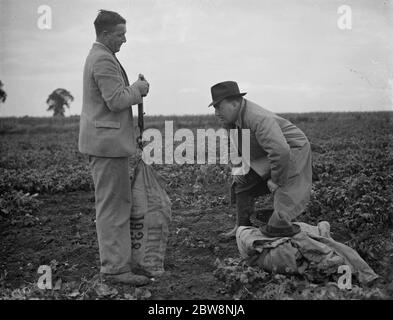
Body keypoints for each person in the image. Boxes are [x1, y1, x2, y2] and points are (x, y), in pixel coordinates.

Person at [78, 10, 150, 285]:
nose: (124, 39)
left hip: (106, 146)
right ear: (105, 34)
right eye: (120, 34)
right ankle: (115, 269)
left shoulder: (101, 56)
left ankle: (118, 263)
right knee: (113, 208)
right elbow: (116, 100)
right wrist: (139, 89)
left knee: (116, 205)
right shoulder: (103, 59)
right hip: (107, 147)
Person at [208, 81, 312, 239]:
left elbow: (281, 152)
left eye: (219, 107)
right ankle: (242, 228)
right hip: (268, 153)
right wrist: (237, 167)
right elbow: (232, 143)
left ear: (235, 103)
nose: (216, 112)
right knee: (241, 182)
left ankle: (283, 232)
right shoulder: (229, 120)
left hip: (293, 151)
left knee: (283, 196)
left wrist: (275, 180)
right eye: (215, 108)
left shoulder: (257, 118)